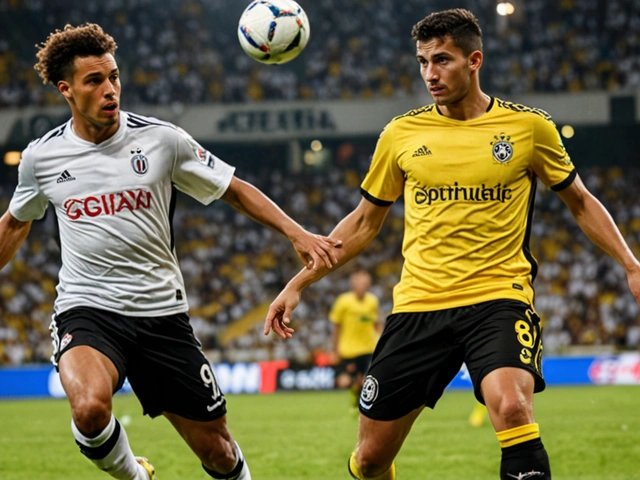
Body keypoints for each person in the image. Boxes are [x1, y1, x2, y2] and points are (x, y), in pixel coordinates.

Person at [264, 8, 640, 480]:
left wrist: (630, 264)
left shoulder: (529, 129)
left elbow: (581, 202)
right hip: (419, 305)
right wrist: (299, 283)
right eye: (422, 61)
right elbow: (363, 223)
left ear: (474, 60)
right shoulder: (401, 134)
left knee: (513, 408)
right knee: (370, 459)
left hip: (498, 298)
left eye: (442, 60)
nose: (430, 73)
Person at [0, 23, 341, 480]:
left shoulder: (162, 140)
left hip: (162, 316)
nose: (110, 89)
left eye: (114, 77)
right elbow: (16, 223)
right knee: (89, 408)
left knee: (219, 452)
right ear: (66, 89)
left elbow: (233, 188)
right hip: (89, 308)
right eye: (94, 81)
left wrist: (295, 232)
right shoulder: (42, 158)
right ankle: (136, 476)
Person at [329, 269, 381, 408]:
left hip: (368, 348)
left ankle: (360, 405)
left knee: (367, 381)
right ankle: (355, 393)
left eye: (366, 283)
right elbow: (336, 327)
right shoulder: (343, 301)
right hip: (348, 350)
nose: (363, 286)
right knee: (344, 381)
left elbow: (376, 324)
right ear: (353, 284)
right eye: (360, 283)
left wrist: (383, 341)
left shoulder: (372, 301)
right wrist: (334, 349)